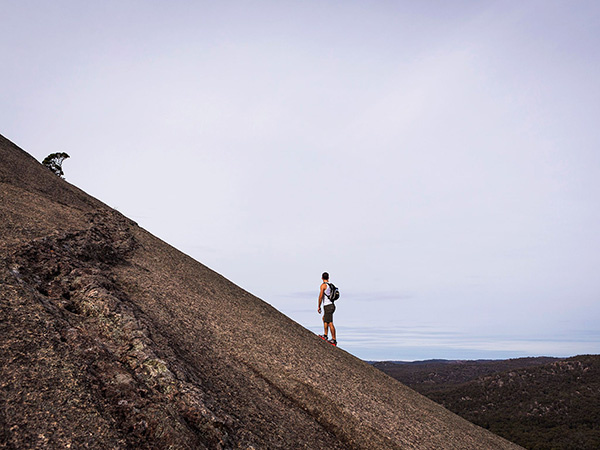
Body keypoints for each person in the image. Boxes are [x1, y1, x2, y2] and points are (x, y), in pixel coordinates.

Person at [317, 272, 337, 346]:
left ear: (322, 278)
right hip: (331, 305)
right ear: (328, 278)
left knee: (330, 322)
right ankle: (325, 335)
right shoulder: (331, 285)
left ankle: (333, 340)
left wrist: (319, 306)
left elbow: (320, 296)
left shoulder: (323, 286)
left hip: (327, 306)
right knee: (325, 319)